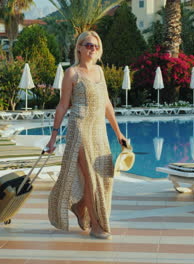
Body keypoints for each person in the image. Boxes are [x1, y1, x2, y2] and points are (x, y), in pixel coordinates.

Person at [46, 31, 126, 240]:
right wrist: (53, 137)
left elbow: (107, 103)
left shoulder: (99, 71)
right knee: (91, 178)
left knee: (104, 177)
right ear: (79, 47)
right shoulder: (71, 73)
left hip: (99, 130)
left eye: (96, 46)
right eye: (89, 45)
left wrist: (118, 133)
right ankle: (97, 226)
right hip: (79, 129)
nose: (92, 49)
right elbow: (63, 105)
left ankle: (81, 207)